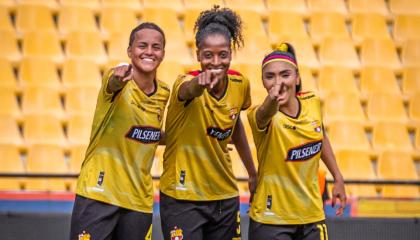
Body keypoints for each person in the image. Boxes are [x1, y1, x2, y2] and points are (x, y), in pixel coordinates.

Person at [159, 6, 257, 240]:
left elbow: (236, 125)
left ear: (230, 54)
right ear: (198, 55)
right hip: (182, 198)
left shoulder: (240, 84)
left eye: (223, 54)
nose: (216, 61)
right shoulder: (184, 82)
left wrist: (252, 173)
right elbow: (186, 91)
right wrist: (199, 85)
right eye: (208, 55)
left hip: (224, 197)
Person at [69, 22, 170, 240]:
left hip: (138, 200)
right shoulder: (116, 80)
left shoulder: (164, 92)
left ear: (163, 53)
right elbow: (113, 83)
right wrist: (117, 79)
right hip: (99, 192)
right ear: (130, 51)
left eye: (156, 47)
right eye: (142, 45)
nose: (149, 52)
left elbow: (149, 133)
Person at [247, 43, 346, 240]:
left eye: (285, 75)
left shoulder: (312, 102)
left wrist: (338, 177)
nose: (278, 82)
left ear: (297, 77)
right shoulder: (258, 115)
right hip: (271, 221)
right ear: (263, 83)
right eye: (270, 76)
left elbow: (320, 135)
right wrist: (271, 100)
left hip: (312, 217)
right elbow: (264, 113)